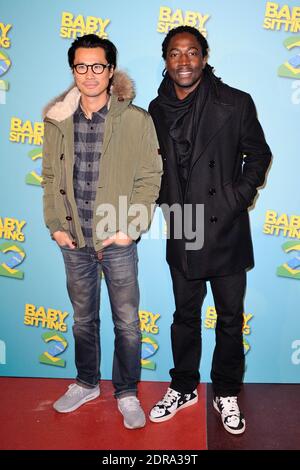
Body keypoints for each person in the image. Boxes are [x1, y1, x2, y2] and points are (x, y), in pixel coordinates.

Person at [148, 26, 271, 434]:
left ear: (204, 56)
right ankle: (184, 386)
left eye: (192, 53)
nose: (184, 61)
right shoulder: (156, 108)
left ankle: (227, 392)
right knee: (184, 315)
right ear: (165, 59)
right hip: (183, 225)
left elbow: (259, 155)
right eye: (175, 53)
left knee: (230, 318)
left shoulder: (234, 103)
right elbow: (154, 166)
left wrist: (235, 199)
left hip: (225, 226)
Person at [42, 34, 162, 429]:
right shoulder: (57, 120)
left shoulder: (136, 119)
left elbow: (149, 178)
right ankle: (86, 382)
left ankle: (127, 392)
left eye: (98, 66)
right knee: (82, 320)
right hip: (74, 239)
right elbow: (48, 178)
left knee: (127, 322)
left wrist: (131, 228)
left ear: (111, 71)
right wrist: (56, 226)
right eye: (81, 66)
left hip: (117, 240)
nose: (89, 74)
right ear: (72, 70)